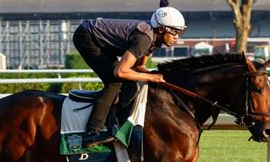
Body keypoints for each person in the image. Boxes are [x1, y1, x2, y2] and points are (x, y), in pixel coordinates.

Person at [72, 6, 187, 147]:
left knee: (129, 84)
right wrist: (152, 78)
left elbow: (138, 66)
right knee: (114, 82)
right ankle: (92, 133)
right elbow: (120, 72)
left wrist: (153, 76)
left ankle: (113, 124)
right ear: (162, 29)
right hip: (86, 36)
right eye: (174, 31)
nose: (177, 36)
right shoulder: (144, 39)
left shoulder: (154, 40)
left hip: (97, 39)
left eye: (179, 32)